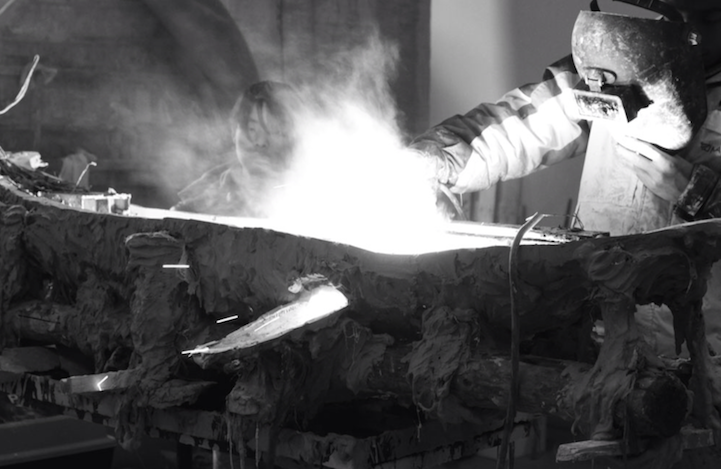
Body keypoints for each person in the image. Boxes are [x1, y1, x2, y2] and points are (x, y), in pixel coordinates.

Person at [410, 0, 721, 359]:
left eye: (710, 18)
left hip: (703, 350)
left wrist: (698, 193)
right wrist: (439, 158)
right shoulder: (624, 63)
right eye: (678, 16)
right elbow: (525, 123)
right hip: (602, 335)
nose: (691, 33)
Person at [171, 80, 298, 217]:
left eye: (274, 131)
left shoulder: (308, 198)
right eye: (251, 129)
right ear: (234, 132)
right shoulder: (195, 207)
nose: (261, 142)